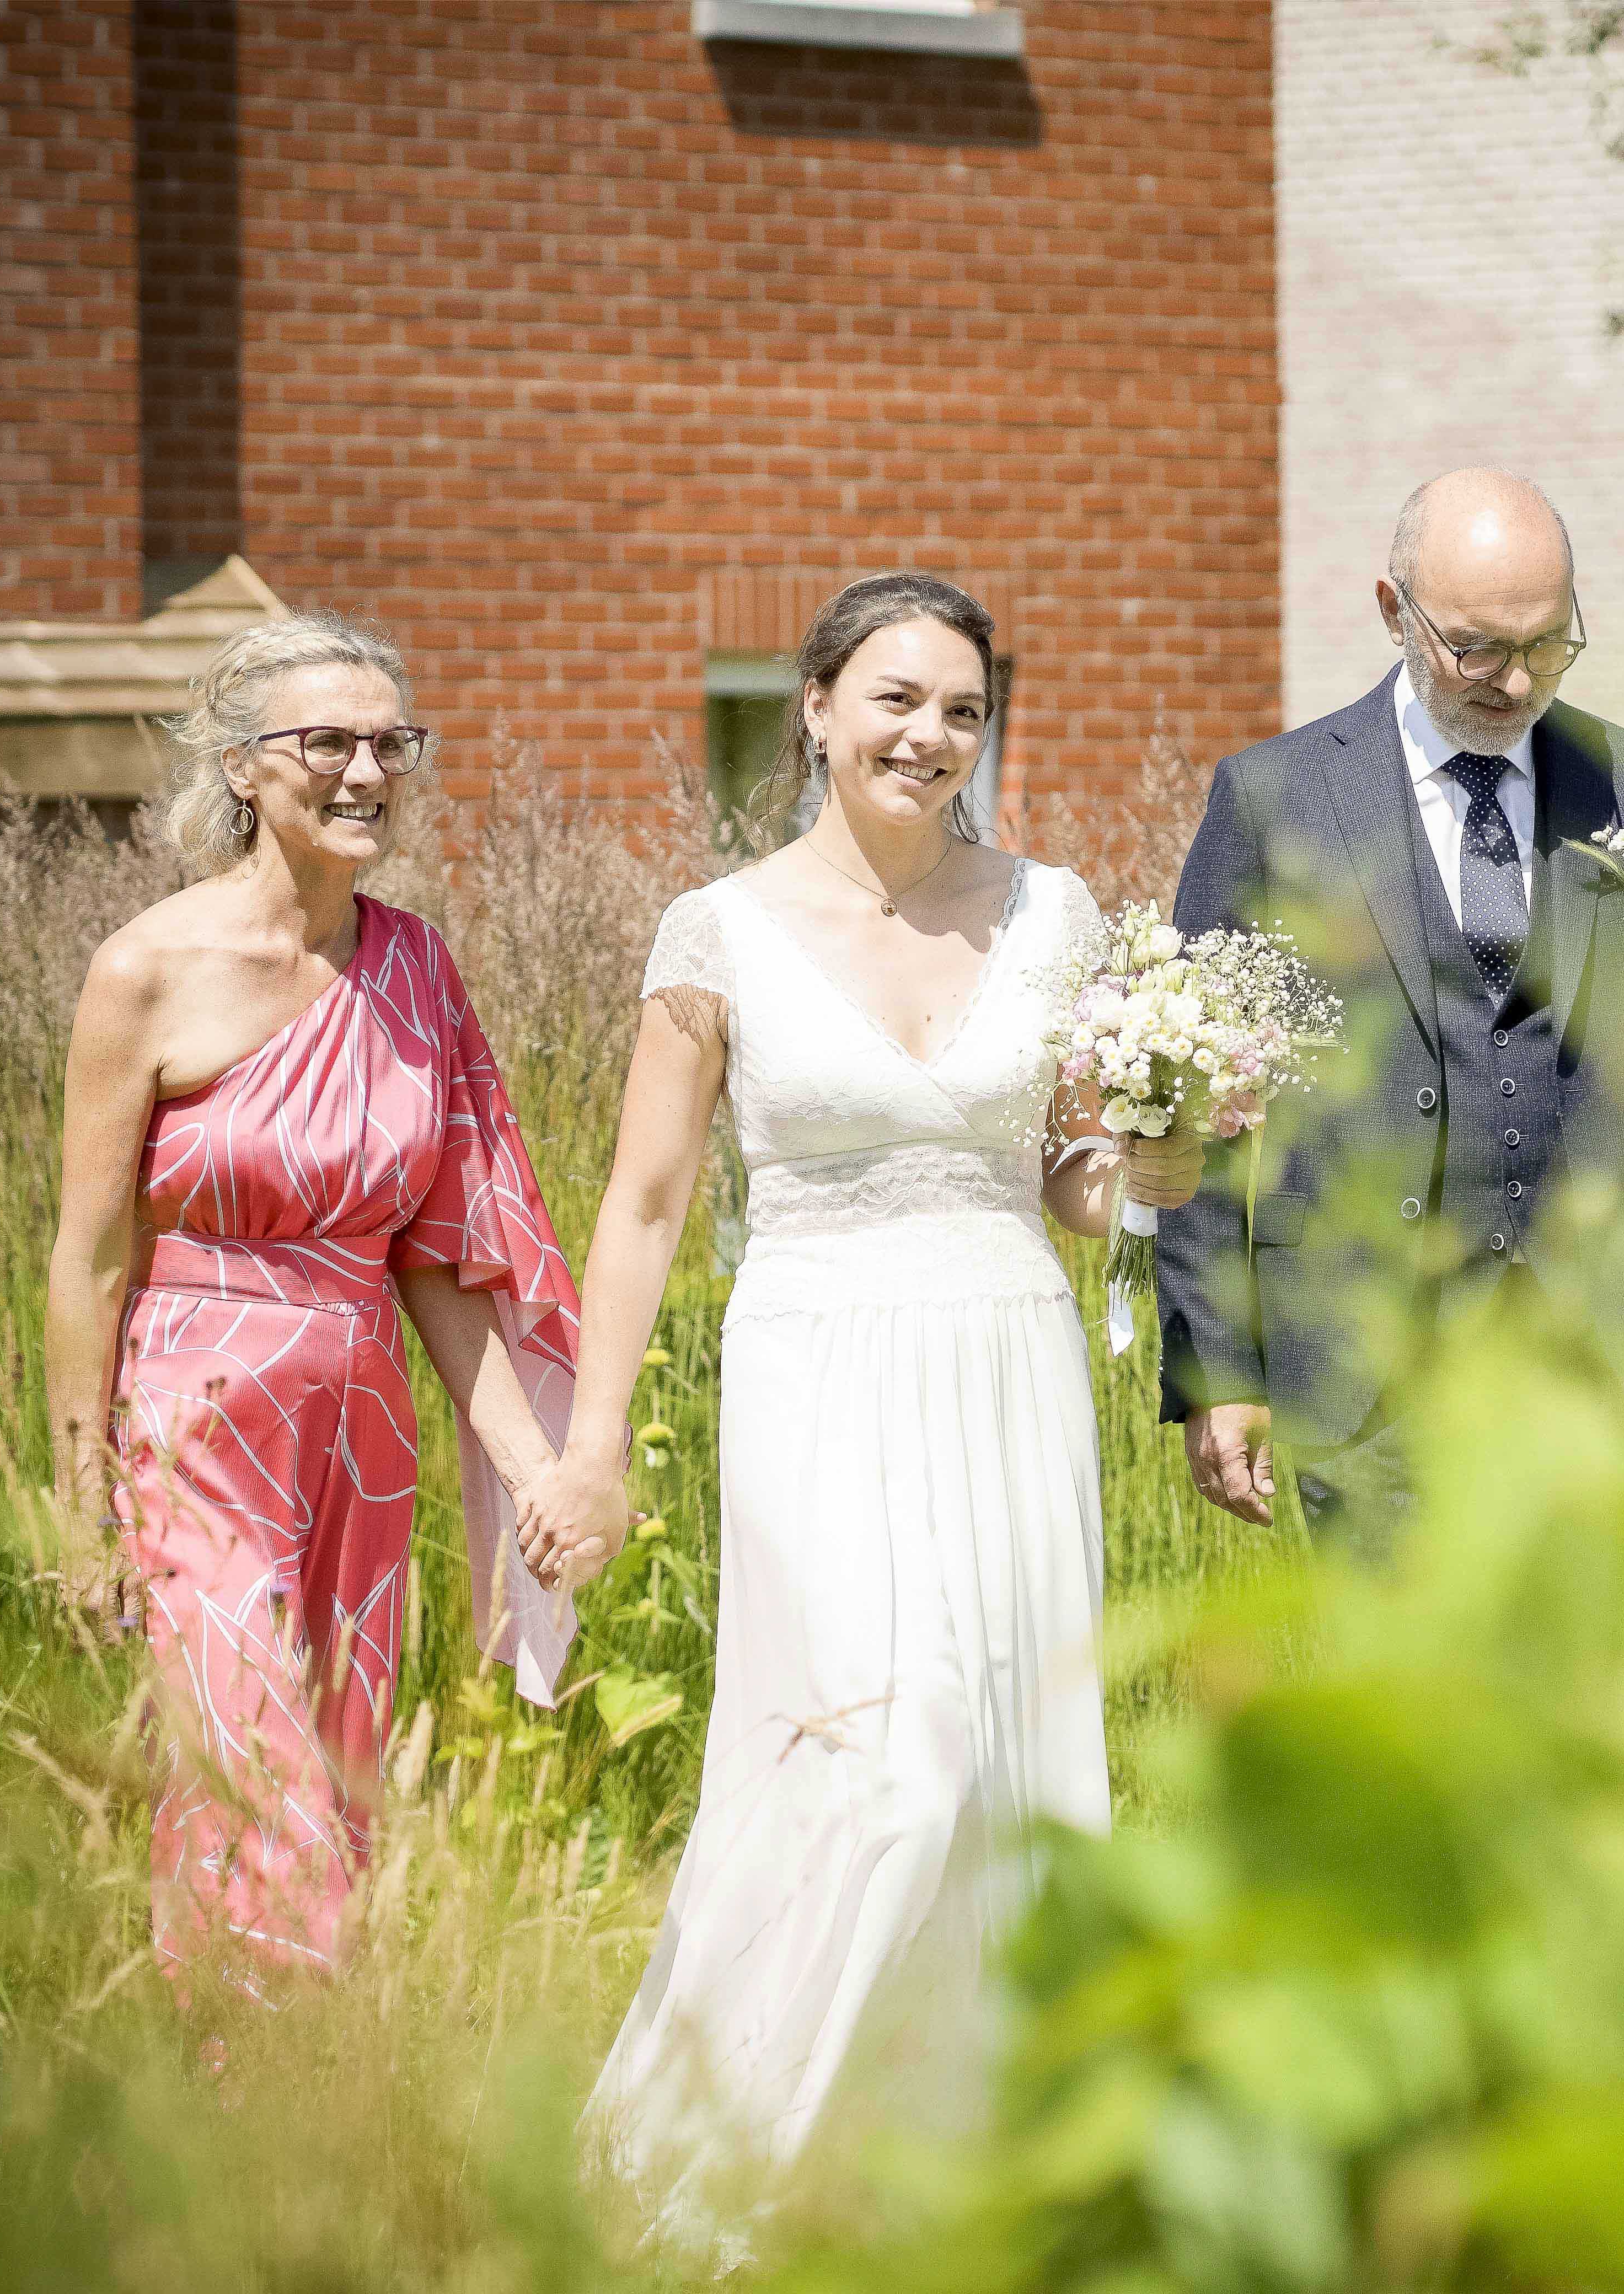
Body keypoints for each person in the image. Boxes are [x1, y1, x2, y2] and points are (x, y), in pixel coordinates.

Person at [516, 573, 1196, 2242]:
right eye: (896, 698)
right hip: (815, 1363)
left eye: (963, 709)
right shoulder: (718, 931)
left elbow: (1073, 1184)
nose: (930, 736)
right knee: (880, 1768)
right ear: (815, 707)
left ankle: (958, 2192)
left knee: (1007, 1782)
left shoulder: (1053, 912)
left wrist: (1161, 1158)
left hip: (1008, 1357)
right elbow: (646, 1205)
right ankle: (706, 2188)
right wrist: (592, 1446)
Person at [1155, 469, 1624, 1551]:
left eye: (1548, 645)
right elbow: (1196, 1104)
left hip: (1618, 1379)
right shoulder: (1276, 799)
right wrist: (1218, 1363)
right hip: (1370, 1388)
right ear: (1393, 611)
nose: (1514, 682)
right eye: (1476, 649)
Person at [45, 612, 583, 1998]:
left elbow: (438, 1259)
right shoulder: (142, 972)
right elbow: (89, 1258)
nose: (368, 771)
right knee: (248, 1752)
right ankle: (251, 2064)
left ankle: (300, 2091)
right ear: (241, 766)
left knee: (342, 1762)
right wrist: (76, 1504)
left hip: (362, 1426)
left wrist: (533, 1467)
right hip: (195, 1419)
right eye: (329, 741)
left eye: (392, 743)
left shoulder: (418, 969)